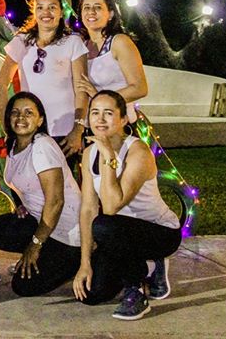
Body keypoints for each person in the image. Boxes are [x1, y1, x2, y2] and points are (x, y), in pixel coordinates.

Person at [0, 0, 87, 281]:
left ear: (61, 12)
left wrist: (78, 128)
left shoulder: (72, 42)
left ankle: (72, 249)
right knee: (31, 197)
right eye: (41, 7)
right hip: (29, 132)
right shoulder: (23, 41)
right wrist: (7, 122)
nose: (47, 13)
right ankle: (38, 247)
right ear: (34, 11)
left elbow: (81, 87)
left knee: (63, 197)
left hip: (63, 134)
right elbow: (1, 83)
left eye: (53, 7)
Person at [73, 90, 181, 321]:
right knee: (90, 294)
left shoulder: (138, 151)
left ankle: (136, 289)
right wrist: (85, 263)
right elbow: (88, 208)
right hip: (119, 234)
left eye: (108, 113)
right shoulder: (89, 153)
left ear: (123, 119)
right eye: (95, 113)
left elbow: (111, 207)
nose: (100, 119)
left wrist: (109, 158)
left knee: (104, 225)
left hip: (159, 232)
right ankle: (149, 268)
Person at [0, 92, 82, 297]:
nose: (21, 117)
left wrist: (34, 246)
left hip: (68, 234)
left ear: (40, 120)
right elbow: (21, 181)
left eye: (29, 113)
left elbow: (56, 201)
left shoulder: (42, 146)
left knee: (24, 286)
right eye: (15, 112)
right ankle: (45, 254)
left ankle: (78, 261)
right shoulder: (14, 145)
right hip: (40, 223)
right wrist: (22, 204)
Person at [76, 0, 148, 123]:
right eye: (86, 7)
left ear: (110, 14)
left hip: (119, 123)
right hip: (92, 124)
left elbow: (140, 88)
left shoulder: (119, 42)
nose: (91, 12)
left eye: (98, 7)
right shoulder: (80, 46)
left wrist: (99, 97)